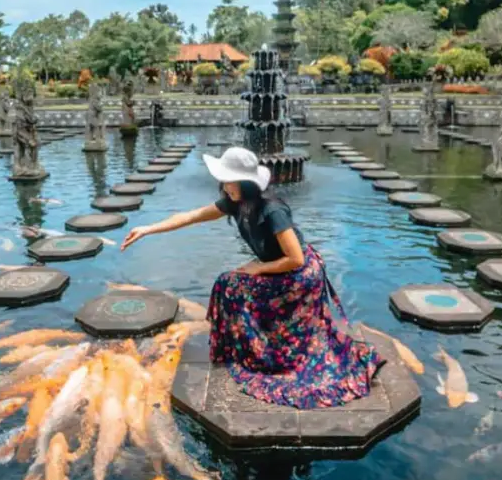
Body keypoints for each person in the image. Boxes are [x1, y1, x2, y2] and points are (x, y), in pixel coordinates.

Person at [121, 146, 383, 409]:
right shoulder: (235, 203)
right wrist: (147, 229)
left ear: (245, 183)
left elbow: (296, 259)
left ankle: (263, 353)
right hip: (279, 268)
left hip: (300, 276)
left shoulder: (272, 210)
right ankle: (249, 349)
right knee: (228, 283)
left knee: (232, 285)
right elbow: (191, 216)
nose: (223, 185)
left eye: (228, 180)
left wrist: (258, 268)